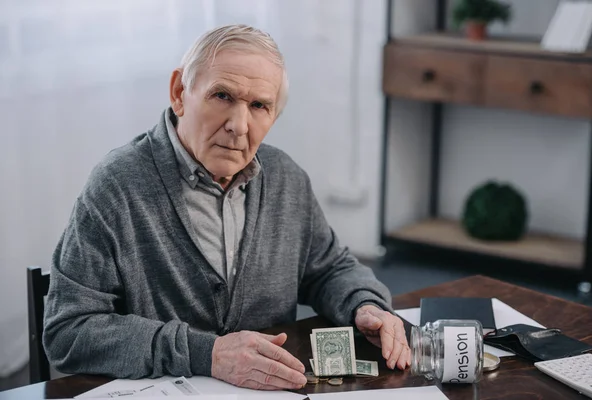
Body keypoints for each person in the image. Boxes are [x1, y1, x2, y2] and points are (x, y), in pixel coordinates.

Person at [43, 24, 411, 391]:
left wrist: (365, 305)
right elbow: (69, 332)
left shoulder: (285, 178)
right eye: (222, 96)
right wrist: (208, 353)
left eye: (258, 106)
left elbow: (328, 269)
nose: (238, 125)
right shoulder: (117, 185)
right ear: (179, 93)